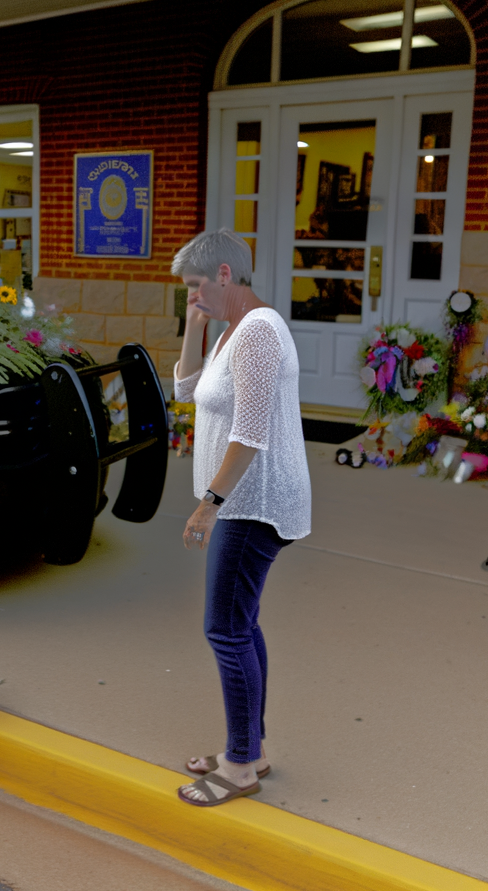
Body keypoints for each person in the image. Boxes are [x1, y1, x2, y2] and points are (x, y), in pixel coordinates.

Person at [171, 228, 311, 807]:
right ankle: (248, 746)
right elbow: (185, 391)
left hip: (251, 504)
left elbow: (250, 433)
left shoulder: (257, 333)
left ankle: (240, 766)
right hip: (243, 501)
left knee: (225, 630)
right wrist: (194, 326)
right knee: (242, 624)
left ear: (225, 275)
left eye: (197, 286)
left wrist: (209, 505)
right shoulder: (234, 329)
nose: (192, 295)